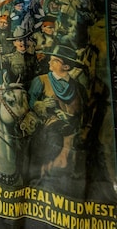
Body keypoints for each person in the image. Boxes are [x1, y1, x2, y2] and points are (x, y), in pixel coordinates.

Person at [27, 45, 87, 198]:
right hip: (47, 129)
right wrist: (41, 105)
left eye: (55, 61)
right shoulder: (40, 81)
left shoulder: (78, 87)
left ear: (66, 66)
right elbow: (29, 103)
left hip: (73, 131)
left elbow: (84, 112)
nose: (49, 63)